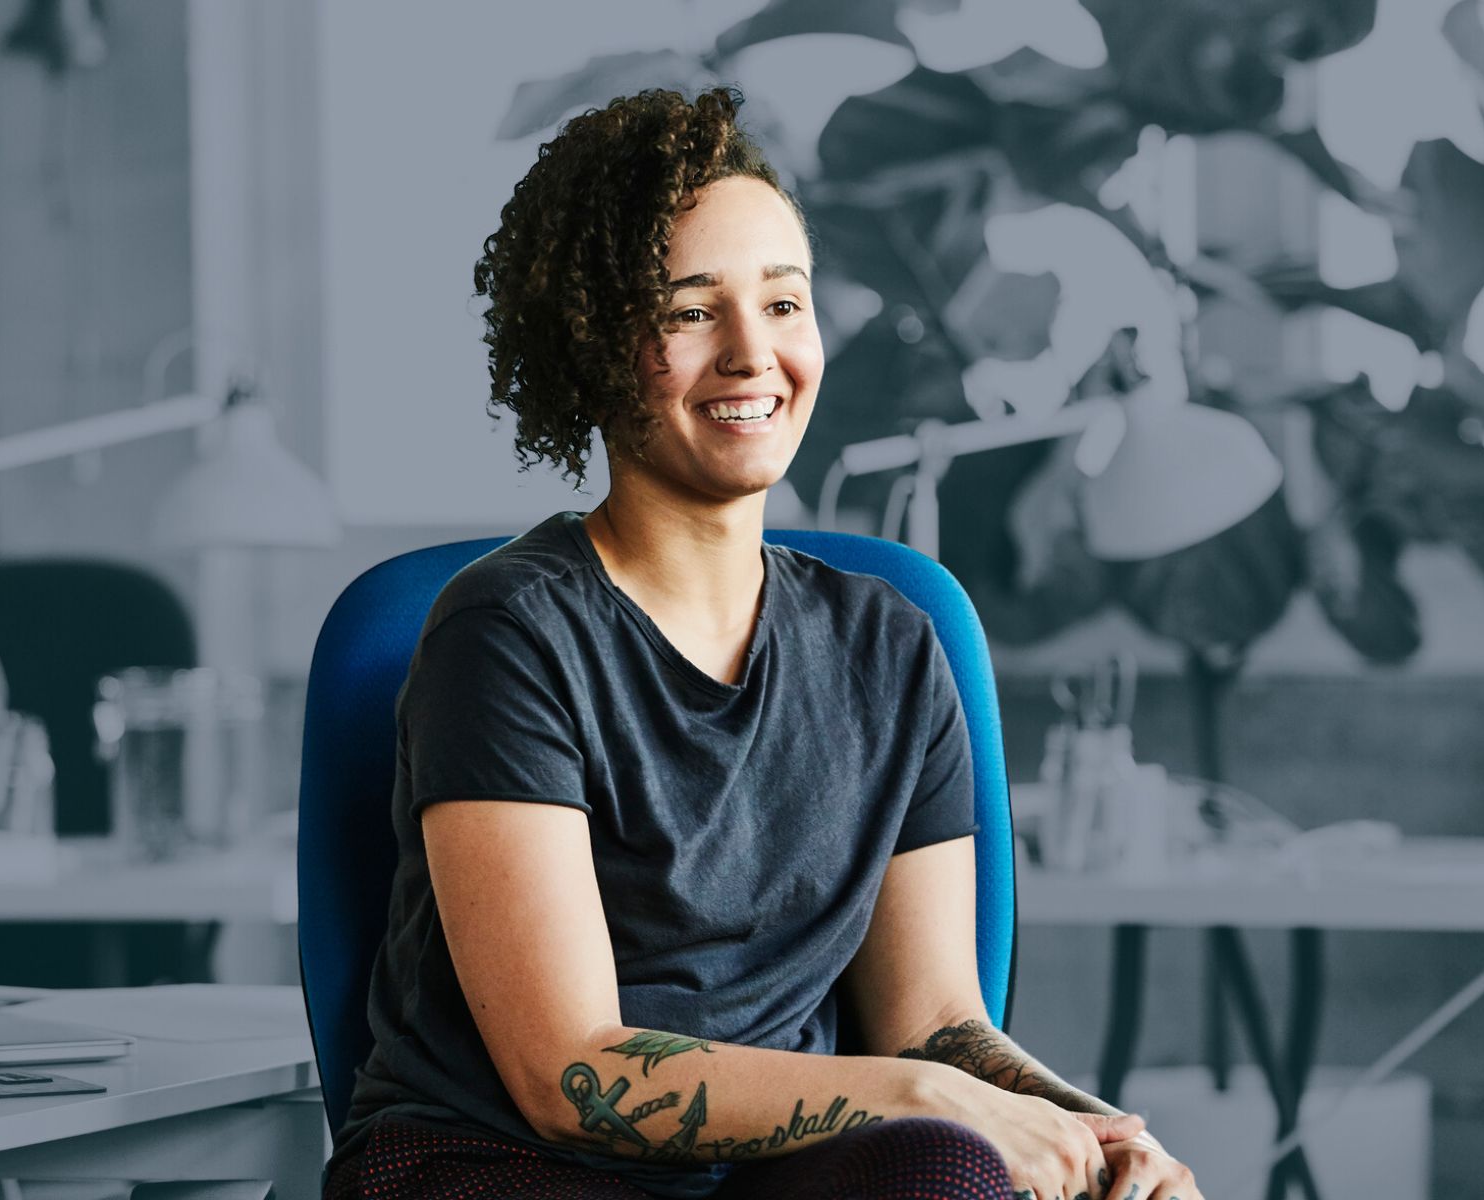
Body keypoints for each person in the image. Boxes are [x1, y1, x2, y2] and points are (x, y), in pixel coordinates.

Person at [323, 86, 1206, 1200]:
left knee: (948, 1167)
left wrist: (1104, 1135)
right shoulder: (507, 634)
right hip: (496, 1167)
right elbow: (567, 1070)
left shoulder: (892, 644)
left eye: (784, 304)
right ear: (592, 346)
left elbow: (933, 1026)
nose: (754, 353)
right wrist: (917, 1093)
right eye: (691, 311)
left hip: (753, 1175)